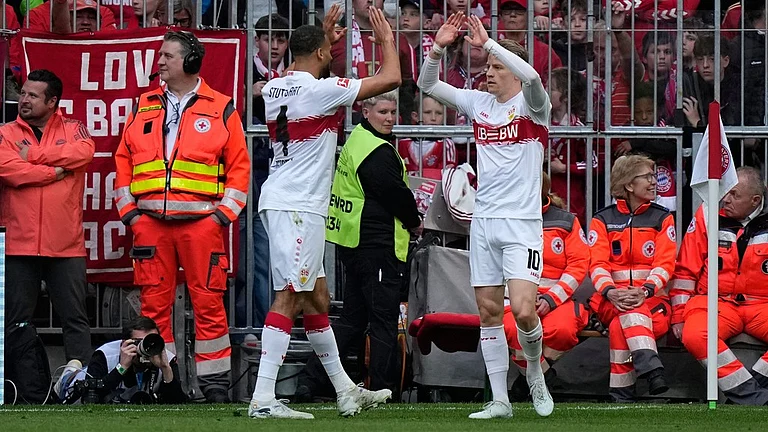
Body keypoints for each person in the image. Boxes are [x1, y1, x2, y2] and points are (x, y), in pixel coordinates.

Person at [250, 5, 401, 419]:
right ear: (320, 54)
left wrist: (322, 39)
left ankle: (345, 390)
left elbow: (308, 61)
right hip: (298, 205)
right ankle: (263, 399)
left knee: (316, 298)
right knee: (291, 295)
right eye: (327, 50)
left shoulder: (276, 86)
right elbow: (391, 79)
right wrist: (385, 39)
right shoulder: (320, 90)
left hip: (287, 199)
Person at [418, 12, 554, 419]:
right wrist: (437, 48)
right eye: (487, 66)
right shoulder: (478, 103)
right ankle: (499, 400)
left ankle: (534, 372)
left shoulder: (532, 105)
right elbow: (426, 85)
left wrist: (490, 44)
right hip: (484, 224)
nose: (487, 73)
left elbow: (531, 78)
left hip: (521, 224)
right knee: (490, 312)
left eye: (496, 68)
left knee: (525, 310)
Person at [114, 31, 251, 403]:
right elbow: (123, 158)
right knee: (153, 307)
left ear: (189, 62)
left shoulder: (221, 107)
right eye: (160, 56)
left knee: (208, 304)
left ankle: (216, 385)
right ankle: (163, 380)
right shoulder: (144, 104)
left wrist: (221, 217)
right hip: (150, 225)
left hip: (202, 225)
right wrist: (130, 214)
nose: (159, 61)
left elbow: (239, 168)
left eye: (167, 56)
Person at [297, 90, 421, 402]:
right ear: (366, 111)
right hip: (377, 246)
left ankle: (311, 381)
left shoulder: (357, 141)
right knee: (381, 321)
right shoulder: (376, 151)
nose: (390, 118)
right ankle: (381, 388)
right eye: (383, 111)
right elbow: (396, 194)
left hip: (354, 244)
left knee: (352, 320)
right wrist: (415, 219)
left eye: (393, 112)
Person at [0, 69, 95, 403]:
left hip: (65, 243)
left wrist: (34, 157)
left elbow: (84, 153)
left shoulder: (73, 128)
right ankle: (20, 391)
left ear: (53, 102)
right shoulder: (5, 132)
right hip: (17, 243)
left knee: (75, 320)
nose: (23, 100)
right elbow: (9, 170)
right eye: (23, 93)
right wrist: (55, 171)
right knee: (15, 321)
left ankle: (83, 391)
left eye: (32, 95)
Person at [670, 167, 768, 405]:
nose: (726, 199)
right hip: (715, 301)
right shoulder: (707, 213)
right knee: (695, 334)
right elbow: (685, 270)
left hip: (762, 304)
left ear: (755, 200)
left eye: (735, 195)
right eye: (726, 192)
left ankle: (750, 390)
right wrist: (679, 315)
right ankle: (754, 397)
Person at [588, 155, 675, 402]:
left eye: (653, 175)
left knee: (621, 324)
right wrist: (610, 292)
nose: (653, 181)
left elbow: (665, 263)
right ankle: (652, 370)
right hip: (610, 300)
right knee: (629, 312)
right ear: (628, 185)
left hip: (653, 301)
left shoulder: (662, 217)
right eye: (646, 177)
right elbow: (597, 264)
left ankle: (621, 394)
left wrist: (645, 291)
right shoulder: (602, 219)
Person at [503, 172, 590, 400]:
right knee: (513, 329)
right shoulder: (507, 220)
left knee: (562, 330)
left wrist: (552, 299)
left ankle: (528, 380)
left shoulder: (567, 221)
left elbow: (578, 265)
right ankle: (544, 379)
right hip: (517, 298)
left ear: (542, 190)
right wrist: (523, 297)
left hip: (556, 300)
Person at [61, 316, 188, 404]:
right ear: (124, 343)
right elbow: (91, 395)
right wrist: (122, 367)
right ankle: (69, 373)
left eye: (151, 341)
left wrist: (166, 369)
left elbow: (180, 404)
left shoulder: (165, 358)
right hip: (75, 385)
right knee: (69, 383)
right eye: (139, 342)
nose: (146, 348)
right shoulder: (105, 354)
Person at [399, 95, 457, 179]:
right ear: (415, 116)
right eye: (427, 112)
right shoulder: (402, 144)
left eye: (439, 113)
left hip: (437, 191)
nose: (433, 118)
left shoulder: (447, 144)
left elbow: (449, 175)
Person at [27, 0, 118, 33]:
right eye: (78, 16)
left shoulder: (104, 12)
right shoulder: (36, 14)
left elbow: (109, 43)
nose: (85, 22)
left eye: (91, 17)